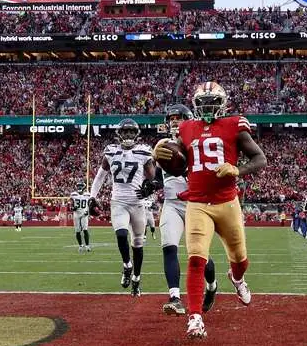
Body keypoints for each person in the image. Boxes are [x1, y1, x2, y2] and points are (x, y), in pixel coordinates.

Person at [153, 82, 267, 339]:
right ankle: (195, 318)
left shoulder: (235, 125)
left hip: (227, 202)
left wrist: (237, 169)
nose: (207, 108)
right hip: (197, 203)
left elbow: (260, 158)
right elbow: (179, 164)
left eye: (212, 103)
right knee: (196, 258)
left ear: (222, 104)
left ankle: (237, 279)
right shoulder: (186, 128)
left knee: (240, 259)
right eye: (203, 103)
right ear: (195, 105)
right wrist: (161, 156)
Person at [140, 104, 218, 316]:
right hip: (172, 204)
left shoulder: (198, 142)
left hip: (196, 204)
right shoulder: (164, 144)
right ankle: (175, 297)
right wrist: (151, 185)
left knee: (199, 256)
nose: (174, 121)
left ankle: (212, 286)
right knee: (169, 247)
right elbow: (158, 176)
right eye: (171, 118)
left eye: (179, 117)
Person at [90, 119, 155, 297]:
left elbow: (153, 178)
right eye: (125, 131)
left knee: (138, 244)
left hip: (137, 203)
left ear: (136, 134)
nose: (127, 135)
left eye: (130, 132)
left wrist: (151, 186)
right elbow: (100, 176)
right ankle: (127, 265)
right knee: (121, 235)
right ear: (119, 133)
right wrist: (92, 196)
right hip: (118, 201)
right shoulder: (111, 152)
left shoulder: (143, 152)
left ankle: (136, 278)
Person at [70, 182, 92, 252]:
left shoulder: (87, 195)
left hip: (84, 213)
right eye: (78, 186)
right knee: (77, 231)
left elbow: (90, 204)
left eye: (81, 186)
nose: (79, 187)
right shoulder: (73, 194)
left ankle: (87, 246)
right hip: (76, 214)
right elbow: (71, 205)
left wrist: (88, 212)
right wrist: (73, 208)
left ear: (84, 187)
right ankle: (80, 245)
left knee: (85, 229)